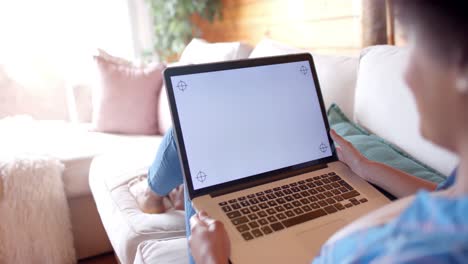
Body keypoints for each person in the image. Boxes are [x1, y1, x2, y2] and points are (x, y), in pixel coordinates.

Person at [133, 1, 468, 262]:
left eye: (417, 48)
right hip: (336, 193)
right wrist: (367, 168)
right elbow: (444, 195)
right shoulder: (459, 191)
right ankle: (156, 194)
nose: (407, 76)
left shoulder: (406, 253)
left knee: (185, 137)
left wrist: (212, 259)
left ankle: (153, 193)